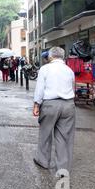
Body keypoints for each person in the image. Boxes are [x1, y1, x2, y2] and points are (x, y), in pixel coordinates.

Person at [33, 47, 76, 178]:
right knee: (64, 137)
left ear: (51, 57)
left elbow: (40, 88)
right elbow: (72, 86)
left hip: (50, 104)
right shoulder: (69, 70)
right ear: (62, 57)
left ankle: (43, 161)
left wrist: (36, 104)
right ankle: (62, 168)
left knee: (45, 134)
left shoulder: (45, 69)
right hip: (68, 104)